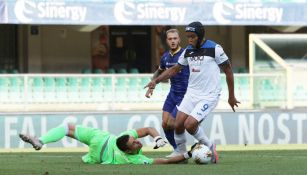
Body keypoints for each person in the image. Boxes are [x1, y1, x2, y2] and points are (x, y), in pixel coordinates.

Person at [145, 21, 240, 164]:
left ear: (200, 35)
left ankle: (210, 146)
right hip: (191, 94)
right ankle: (181, 153)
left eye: (192, 37)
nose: (189, 40)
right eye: (188, 36)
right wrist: (155, 81)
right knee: (178, 124)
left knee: (189, 125)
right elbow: (175, 69)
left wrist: (231, 96)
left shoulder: (215, 48)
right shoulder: (188, 50)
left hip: (209, 95)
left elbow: (228, 71)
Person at [19, 123, 193, 164]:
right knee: (68, 129)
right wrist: (186, 155)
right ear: (128, 151)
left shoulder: (125, 138)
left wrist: (157, 138)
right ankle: (39, 141)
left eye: (135, 141)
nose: (138, 142)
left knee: (66, 128)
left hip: (101, 139)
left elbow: (147, 130)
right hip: (99, 154)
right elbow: (162, 161)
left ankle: (41, 141)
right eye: (135, 143)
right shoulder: (131, 159)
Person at [145, 28, 189, 158]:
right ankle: (177, 149)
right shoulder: (165, 57)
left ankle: (183, 149)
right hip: (173, 93)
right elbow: (159, 71)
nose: (173, 41)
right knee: (165, 123)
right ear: (167, 41)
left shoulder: (185, 54)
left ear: (179, 39)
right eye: (170, 39)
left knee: (173, 123)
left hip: (185, 94)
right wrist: (152, 85)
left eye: (175, 38)